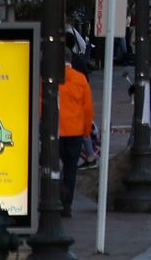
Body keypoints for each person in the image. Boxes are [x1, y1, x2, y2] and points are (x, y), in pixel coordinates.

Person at [58, 55, 94, 216]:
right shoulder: (80, 79)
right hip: (75, 131)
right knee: (70, 169)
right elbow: (88, 109)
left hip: (56, 130)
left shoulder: (49, 78)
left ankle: (55, 198)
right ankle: (67, 203)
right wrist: (86, 131)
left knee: (53, 167)